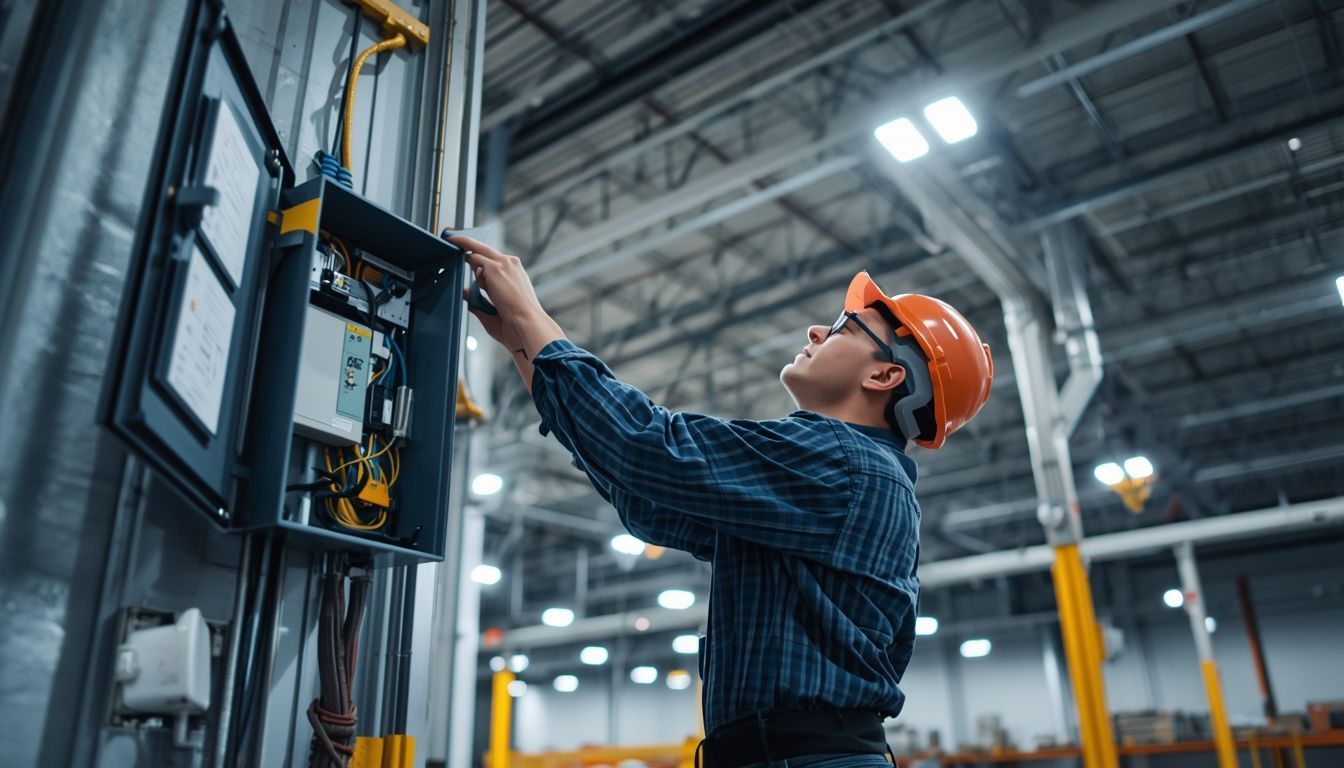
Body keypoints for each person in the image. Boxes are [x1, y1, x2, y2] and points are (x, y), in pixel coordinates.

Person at [450, 234, 993, 768]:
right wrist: (527, 347)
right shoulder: (835, 478)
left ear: (885, 375)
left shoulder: (842, 463)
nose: (815, 329)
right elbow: (647, 501)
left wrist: (534, 315)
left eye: (844, 327)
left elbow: (647, 447)